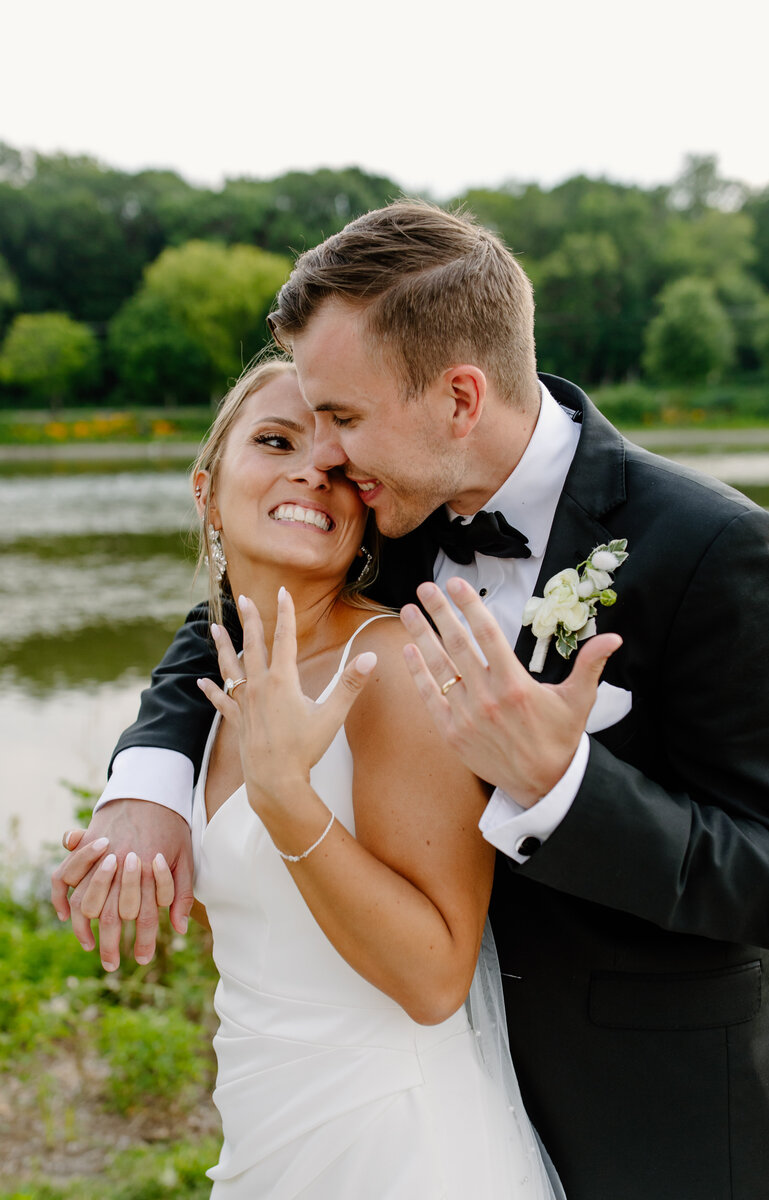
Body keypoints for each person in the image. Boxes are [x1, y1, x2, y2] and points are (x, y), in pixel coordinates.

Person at [53, 202, 769, 1199]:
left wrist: (563, 789)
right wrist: (148, 777)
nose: (330, 460)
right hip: (425, 1093)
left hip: (661, 1113)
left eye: (344, 420)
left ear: (457, 398)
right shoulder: (390, 506)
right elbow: (244, 609)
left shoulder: (711, 550)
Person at [70, 357, 563, 1197]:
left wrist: (289, 803)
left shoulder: (396, 667)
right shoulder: (225, 679)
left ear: (367, 514)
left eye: (341, 469)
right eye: (275, 440)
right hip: (268, 1126)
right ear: (206, 489)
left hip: (394, 1143)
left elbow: (438, 978)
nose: (312, 472)